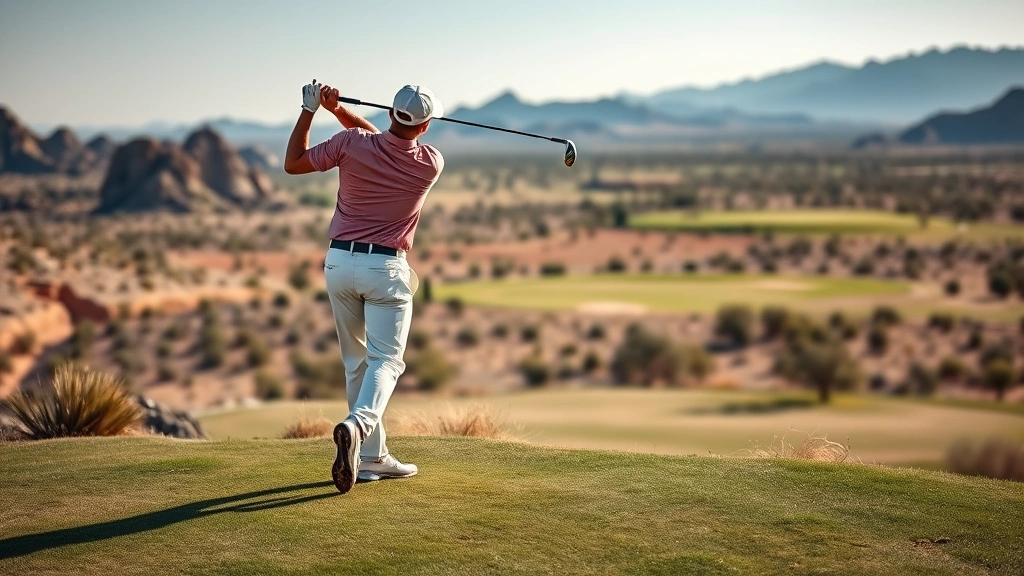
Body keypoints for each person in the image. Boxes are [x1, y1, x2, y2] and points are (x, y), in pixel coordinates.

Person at [283, 81, 444, 494]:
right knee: (386, 362)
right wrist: (338, 111)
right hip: (385, 269)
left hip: (338, 263)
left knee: (356, 362)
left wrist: (312, 109)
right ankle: (357, 426)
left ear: (391, 113)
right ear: (425, 128)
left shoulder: (351, 144)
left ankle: (371, 458)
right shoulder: (430, 162)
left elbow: (295, 163)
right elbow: (385, 139)